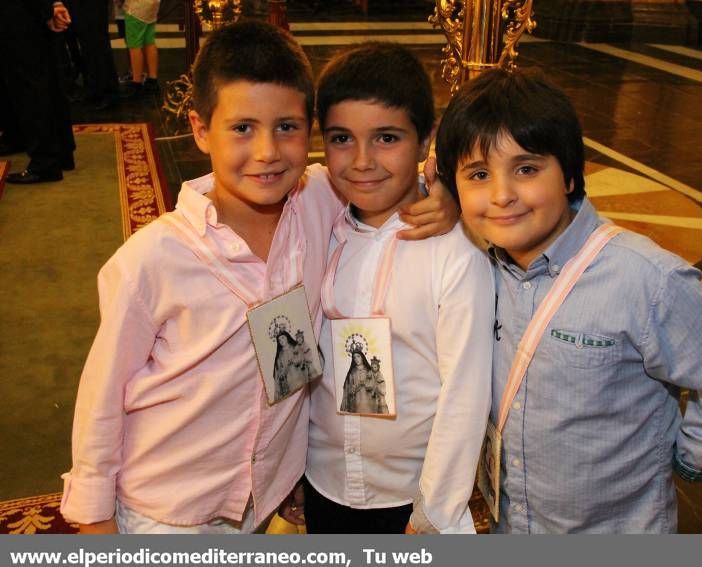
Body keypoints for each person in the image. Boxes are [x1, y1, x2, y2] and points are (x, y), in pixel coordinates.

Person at [60, 21, 456, 534]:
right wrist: (96, 524)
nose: (268, 151)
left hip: (261, 503)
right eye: (242, 128)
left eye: (287, 127)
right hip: (167, 510)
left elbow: (386, 172)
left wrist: (441, 190)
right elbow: (101, 401)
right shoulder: (151, 260)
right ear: (201, 130)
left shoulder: (320, 201)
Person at [434, 68, 702, 533]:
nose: (502, 195)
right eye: (478, 174)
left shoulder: (644, 280)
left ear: (571, 176)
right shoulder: (478, 263)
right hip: (513, 524)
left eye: (527, 169)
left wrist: (696, 455)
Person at [305, 43, 494, 534]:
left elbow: (465, 393)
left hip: (408, 497)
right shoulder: (317, 217)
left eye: (386, 138)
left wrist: (435, 509)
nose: (362, 161)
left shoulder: (453, 252)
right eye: (341, 138)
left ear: (426, 139)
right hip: (323, 480)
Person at [0, 1, 75, 184]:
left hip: (20, 14)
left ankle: (46, 162)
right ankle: (58, 152)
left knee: (30, 85)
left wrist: (47, 10)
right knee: (39, 79)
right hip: (25, 13)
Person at [118, 0, 161, 94]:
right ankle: (152, 80)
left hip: (136, 8)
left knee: (134, 46)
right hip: (153, 5)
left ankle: (136, 82)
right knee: (149, 42)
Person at [273, 330, 303, 399]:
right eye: (279, 340)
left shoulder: (295, 347)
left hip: (300, 377)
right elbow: (279, 369)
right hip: (289, 382)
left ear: (287, 337)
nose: (281, 341)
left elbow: (301, 358)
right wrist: (281, 373)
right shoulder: (280, 355)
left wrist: (294, 361)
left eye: (283, 337)